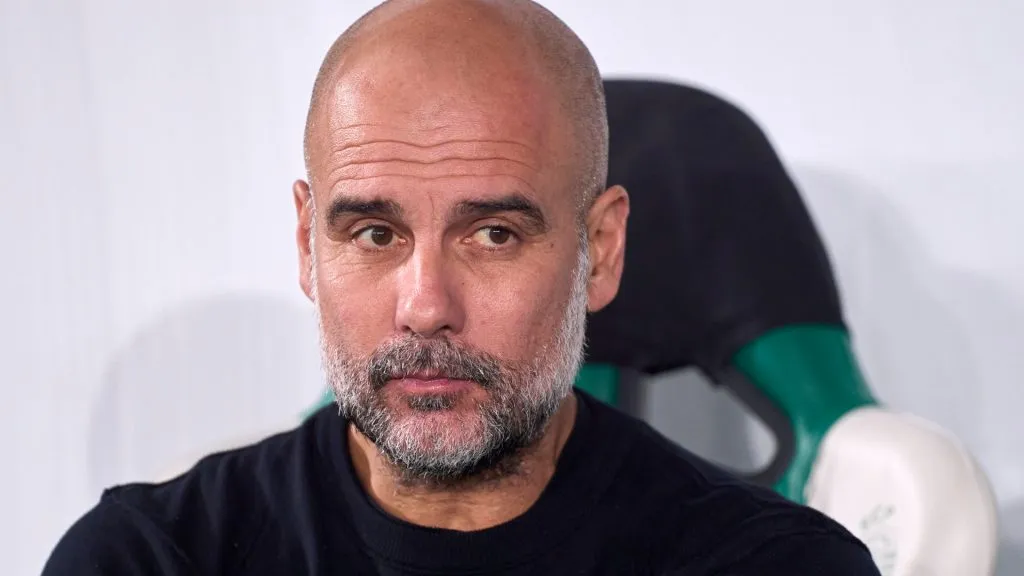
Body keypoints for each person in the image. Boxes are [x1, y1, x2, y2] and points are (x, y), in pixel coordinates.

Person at [43, 0, 881, 574]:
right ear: (306, 246)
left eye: (493, 235)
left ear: (600, 250)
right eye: (375, 234)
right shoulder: (146, 559)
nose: (425, 307)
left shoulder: (775, 564)